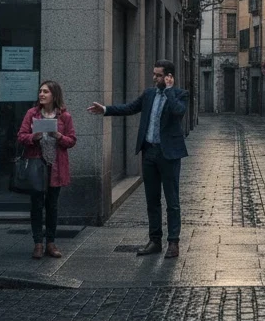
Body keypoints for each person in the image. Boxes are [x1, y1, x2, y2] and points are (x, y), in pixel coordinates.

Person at [87, 59, 188, 259]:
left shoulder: (180, 94)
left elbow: (178, 112)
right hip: (149, 152)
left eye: (159, 75)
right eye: (154, 74)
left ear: (169, 77)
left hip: (169, 155)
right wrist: (106, 109)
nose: (154, 78)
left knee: (172, 201)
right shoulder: (149, 94)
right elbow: (130, 108)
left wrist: (169, 90)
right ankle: (155, 241)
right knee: (152, 200)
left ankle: (173, 242)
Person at [18, 80, 76, 260]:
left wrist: (58, 136)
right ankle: (38, 243)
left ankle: (51, 242)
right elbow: (21, 136)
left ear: (54, 95)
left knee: (52, 205)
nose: (41, 94)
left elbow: (72, 140)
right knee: (36, 205)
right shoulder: (32, 113)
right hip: (37, 164)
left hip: (56, 166)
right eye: (40, 91)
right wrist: (33, 137)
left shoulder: (64, 116)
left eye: (45, 92)